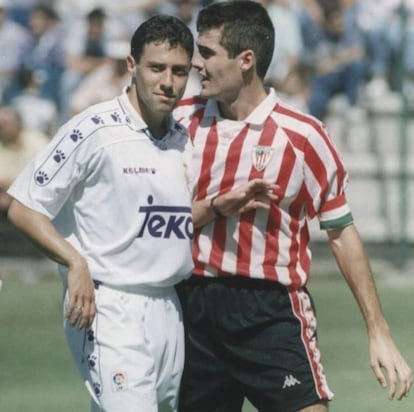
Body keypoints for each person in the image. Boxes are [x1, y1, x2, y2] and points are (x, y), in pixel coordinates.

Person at [173, 1, 413, 411]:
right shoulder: (179, 123)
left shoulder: (302, 136)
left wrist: (379, 331)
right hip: (192, 309)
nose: (197, 63)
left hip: (269, 312)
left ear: (246, 60)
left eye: (208, 52)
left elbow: (340, 233)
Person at [7, 14, 194, 412]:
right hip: (109, 308)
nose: (167, 81)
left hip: (169, 309)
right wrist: (75, 262)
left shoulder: (183, 138)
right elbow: (23, 206)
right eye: (156, 68)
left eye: (179, 71)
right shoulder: (93, 128)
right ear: (132, 66)